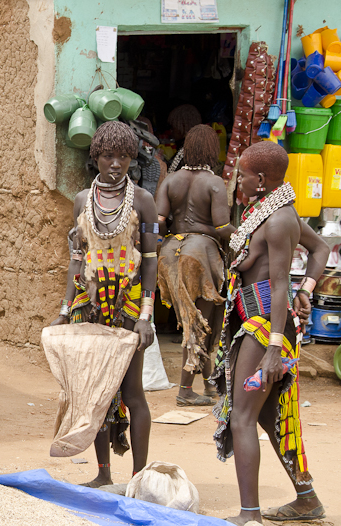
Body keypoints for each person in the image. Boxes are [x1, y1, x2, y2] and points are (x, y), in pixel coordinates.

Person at [209, 141, 327, 526]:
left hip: (265, 328)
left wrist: (274, 348)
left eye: (241, 174)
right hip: (258, 322)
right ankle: (306, 499)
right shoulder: (271, 211)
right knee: (266, 415)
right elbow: (321, 247)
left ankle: (249, 516)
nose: (237, 180)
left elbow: (278, 287)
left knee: (242, 417)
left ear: (260, 180)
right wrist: (307, 288)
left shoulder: (277, 220)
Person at [50, 121, 158, 488]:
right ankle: (103, 473)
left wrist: (146, 315)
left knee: (131, 392)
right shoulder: (83, 199)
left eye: (124, 156)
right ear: (96, 157)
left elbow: (151, 261)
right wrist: (66, 309)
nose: (116, 163)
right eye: (109, 156)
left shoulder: (143, 200)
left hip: (127, 307)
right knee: (95, 390)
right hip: (90, 304)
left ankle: (139, 478)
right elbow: (77, 259)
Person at [155, 125, 230, 406]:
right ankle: (185, 391)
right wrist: (247, 233)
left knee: (192, 321)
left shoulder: (171, 180)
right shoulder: (214, 183)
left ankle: (210, 386)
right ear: (211, 150)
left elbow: (159, 220)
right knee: (200, 323)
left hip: (171, 251)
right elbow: (222, 226)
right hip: (201, 251)